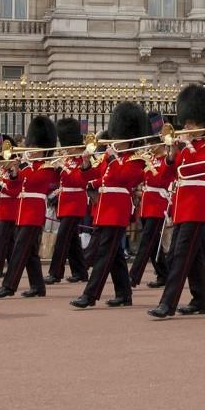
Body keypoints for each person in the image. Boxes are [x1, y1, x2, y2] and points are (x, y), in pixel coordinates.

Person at [149, 84, 205, 319]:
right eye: (186, 122)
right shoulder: (182, 148)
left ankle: (167, 304)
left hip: (196, 206)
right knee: (193, 258)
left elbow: (196, 168)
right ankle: (199, 300)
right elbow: (164, 177)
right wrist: (170, 155)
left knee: (179, 257)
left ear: (203, 123)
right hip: (181, 206)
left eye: (192, 123)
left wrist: (186, 145)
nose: (187, 127)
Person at [72, 103, 151, 309]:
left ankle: (90, 295)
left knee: (103, 254)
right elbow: (98, 177)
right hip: (103, 209)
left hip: (117, 210)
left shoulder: (137, 158)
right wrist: (87, 164)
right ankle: (124, 294)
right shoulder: (111, 156)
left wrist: (114, 158)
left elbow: (126, 178)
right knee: (114, 255)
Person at [0, 116, 59, 300]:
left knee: (20, 250)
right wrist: (13, 173)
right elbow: (14, 188)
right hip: (22, 213)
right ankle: (38, 286)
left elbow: (37, 182)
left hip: (34, 213)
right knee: (30, 253)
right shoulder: (27, 167)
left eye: (34, 148)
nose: (31, 150)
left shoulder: (47, 167)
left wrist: (20, 168)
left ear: (43, 149)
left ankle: (8, 285)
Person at [130, 112, 174, 289]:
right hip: (147, 205)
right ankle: (164, 274)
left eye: (152, 143)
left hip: (158, 205)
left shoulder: (166, 159)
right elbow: (139, 179)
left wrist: (149, 164)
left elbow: (161, 179)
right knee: (153, 243)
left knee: (146, 242)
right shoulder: (151, 158)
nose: (149, 146)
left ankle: (133, 277)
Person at [45, 118, 89, 286]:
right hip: (65, 203)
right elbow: (56, 179)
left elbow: (79, 180)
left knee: (62, 239)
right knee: (72, 241)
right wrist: (54, 167)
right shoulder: (68, 158)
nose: (66, 148)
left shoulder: (81, 160)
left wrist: (64, 166)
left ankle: (55, 273)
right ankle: (81, 272)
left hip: (75, 203)